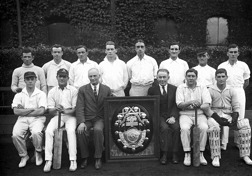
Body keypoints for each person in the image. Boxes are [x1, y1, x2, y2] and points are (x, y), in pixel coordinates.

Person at [206, 68, 252, 167]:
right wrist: (218, 119)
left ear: (226, 77)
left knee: (244, 124)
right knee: (214, 126)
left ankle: (245, 155)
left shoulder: (232, 89)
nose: (221, 79)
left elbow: (236, 106)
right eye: (219, 77)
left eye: (223, 76)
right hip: (215, 115)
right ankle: (215, 156)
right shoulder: (210, 90)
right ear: (215, 78)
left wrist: (234, 118)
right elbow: (207, 109)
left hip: (228, 114)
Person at [76, 68, 111, 170]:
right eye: (90, 76)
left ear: (99, 76)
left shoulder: (106, 89)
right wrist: (81, 122)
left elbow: (110, 105)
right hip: (87, 118)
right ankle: (84, 157)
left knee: (98, 130)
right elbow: (80, 106)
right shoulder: (82, 90)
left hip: (100, 118)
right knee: (81, 131)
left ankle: (98, 157)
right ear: (88, 77)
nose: (93, 78)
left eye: (95, 76)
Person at [43, 68, 78, 172]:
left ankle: (73, 160)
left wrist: (64, 111)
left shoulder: (74, 90)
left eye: (64, 76)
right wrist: (55, 109)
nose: (62, 78)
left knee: (71, 131)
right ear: (57, 77)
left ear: (68, 78)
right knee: (48, 131)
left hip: (70, 116)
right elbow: (50, 110)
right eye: (60, 76)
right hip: (57, 116)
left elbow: (74, 109)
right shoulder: (52, 91)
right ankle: (48, 160)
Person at [176, 68, 211, 166]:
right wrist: (191, 102)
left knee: (204, 127)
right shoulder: (181, 87)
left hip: (199, 114)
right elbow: (179, 104)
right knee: (184, 128)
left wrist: (198, 105)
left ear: (196, 77)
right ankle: (187, 153)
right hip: (185, 114)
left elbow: (207, 103)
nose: (191, 78)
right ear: (185, 77)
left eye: (193, 76)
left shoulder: (202, 87)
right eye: (189, 76)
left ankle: (200, 153)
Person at [11, 71, 47, 168]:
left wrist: (24, 110)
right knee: (15, 135)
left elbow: (41, 112)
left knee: (36, 133)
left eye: (32, 79)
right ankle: (24, 156)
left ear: (36, 80)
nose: (30, 81)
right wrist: (32, 109)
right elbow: (16, 112)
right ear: (25, 80)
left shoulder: (41, 94)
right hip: (22, 119)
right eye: (28, 79)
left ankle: (38, 152)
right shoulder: (19, 94)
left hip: (37, 119)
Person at [218, 44, 251, 147]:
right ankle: (224, 143)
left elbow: (246, 81)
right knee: (226, 115)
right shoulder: (222, 65)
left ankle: (238, 141)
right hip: (226, 91)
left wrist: (238, 90)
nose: (233, 54)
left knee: (240, 116)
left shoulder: (243, 65)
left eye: (235, 52)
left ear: (238, 53)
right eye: (231, 52)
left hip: (239, 90)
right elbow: (220, 80)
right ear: (227, 53)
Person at [148, 69, 180, 165]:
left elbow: (176, 104)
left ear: (168, 78)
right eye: (160, 77)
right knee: (165, 129)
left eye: (164, 77)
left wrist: (173, 117)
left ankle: (175, 153)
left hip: (171, 115)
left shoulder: (174, 89)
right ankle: (164, 154)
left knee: (176, 128)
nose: (162, 79)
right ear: (156, 78)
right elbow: (150, 106)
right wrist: (156, 117)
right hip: (159, 116)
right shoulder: (152, 90)